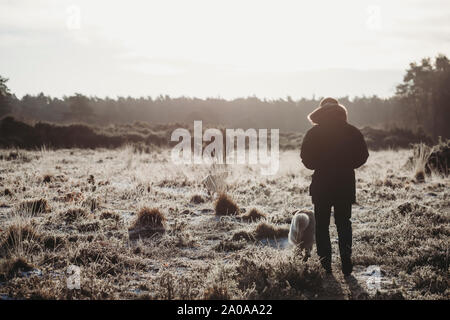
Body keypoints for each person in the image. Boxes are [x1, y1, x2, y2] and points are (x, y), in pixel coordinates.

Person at [300, 97, 369, 276]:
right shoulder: (352, 131)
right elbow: (363, 155)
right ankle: (346, 263)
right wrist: (347, 165)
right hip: (345, 184)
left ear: (321, 111)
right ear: (340, 111)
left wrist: (320, 164)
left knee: (321, 226)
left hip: (322, 184)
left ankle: (325, 266)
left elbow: (306, 159)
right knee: (344, 223)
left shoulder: (313, 133)